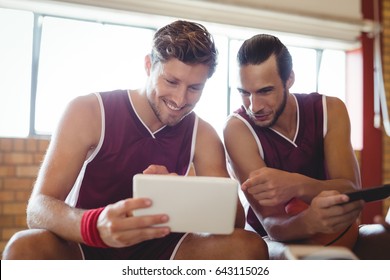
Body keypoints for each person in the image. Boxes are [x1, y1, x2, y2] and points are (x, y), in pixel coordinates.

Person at [2, 20, 268, 260]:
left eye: (194, 88)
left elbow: (232, 223)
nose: (180, 99)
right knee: (23, 248)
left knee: (250, 247)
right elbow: (37, 209)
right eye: (171, 81)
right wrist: (94, 226)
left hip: (166, 251)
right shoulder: (88, 111)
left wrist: (187, 192)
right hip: (85, 244)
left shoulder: (204, 134)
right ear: (149, 65)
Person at [223, 33, 390, 259]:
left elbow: (351, 191)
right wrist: (309, 221)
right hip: (272, 241)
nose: (254, 106)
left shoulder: (331, 109)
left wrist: (296, 185)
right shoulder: (237, 129)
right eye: (244, 92)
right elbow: (273, 225)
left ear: (289, 79)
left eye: (265, 91)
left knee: (384, 238)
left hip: (339, 233)